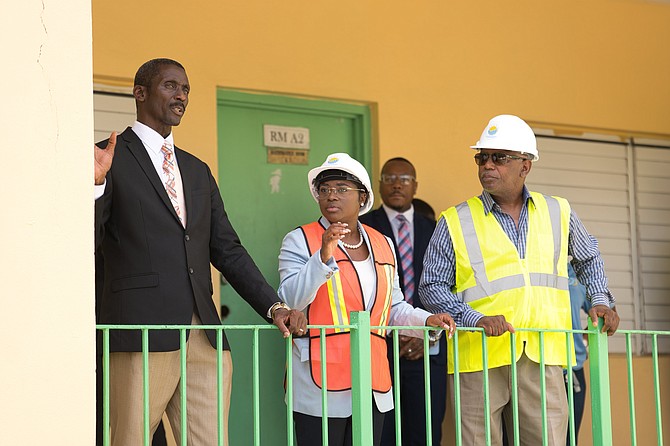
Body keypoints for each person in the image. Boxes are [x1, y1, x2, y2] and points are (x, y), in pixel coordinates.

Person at [93, 58, 306, 446]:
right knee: (131, 439)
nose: (181, 96)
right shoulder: (108, 157)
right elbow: (82, 244)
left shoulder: (196, 169)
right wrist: (92, 188)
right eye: (170, 86)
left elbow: (228, 250)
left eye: (186, 88)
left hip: (204, 334)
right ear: (140, 93)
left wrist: (274, 307)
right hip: (141, 330)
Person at [419, 114, 619, 446]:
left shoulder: (558, 210)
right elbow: (431, 285)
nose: (487, 165)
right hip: (478, 356)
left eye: (499, 158)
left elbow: (589, 257)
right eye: (481, 157)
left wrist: (600, 301)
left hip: (544, 353)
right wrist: (475, 318)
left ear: (524, 166)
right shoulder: (455, 219)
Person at [277, 153, 457, 446]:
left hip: (371, 380)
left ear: (362, 197)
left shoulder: (381, 242)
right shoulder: (300, 239)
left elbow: (393, 308)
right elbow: (290, 299)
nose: (331, 196)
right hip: (319, 380)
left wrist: (427, 320)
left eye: (340, 188)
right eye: (324, 190)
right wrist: (323, 256)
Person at [359, 157, 446, 446]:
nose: (397, 184)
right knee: (380, 433)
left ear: (415, 186)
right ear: (379, 184)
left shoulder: (436, 229)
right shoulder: (362, 227)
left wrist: (428, 334)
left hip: (427, 349)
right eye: (389, 178)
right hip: (380, 348)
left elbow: (451, 285)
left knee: (424, 433)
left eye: (405, 179)